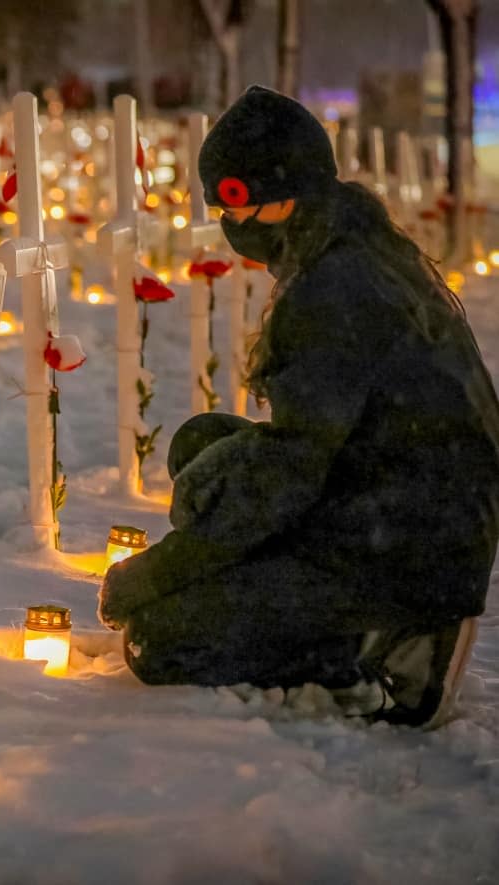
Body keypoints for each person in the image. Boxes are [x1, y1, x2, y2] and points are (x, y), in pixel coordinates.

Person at [98, 85, 499, 728]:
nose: (230, 222)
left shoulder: (334, 291)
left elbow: (291, 469)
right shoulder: (350, 248)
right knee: (203, 441)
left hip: (405, 546)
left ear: (280, 193)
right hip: (401, 505)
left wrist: (159, 574)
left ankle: (393, 641)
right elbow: (306, 444)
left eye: (234, 199)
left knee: (163, 637)